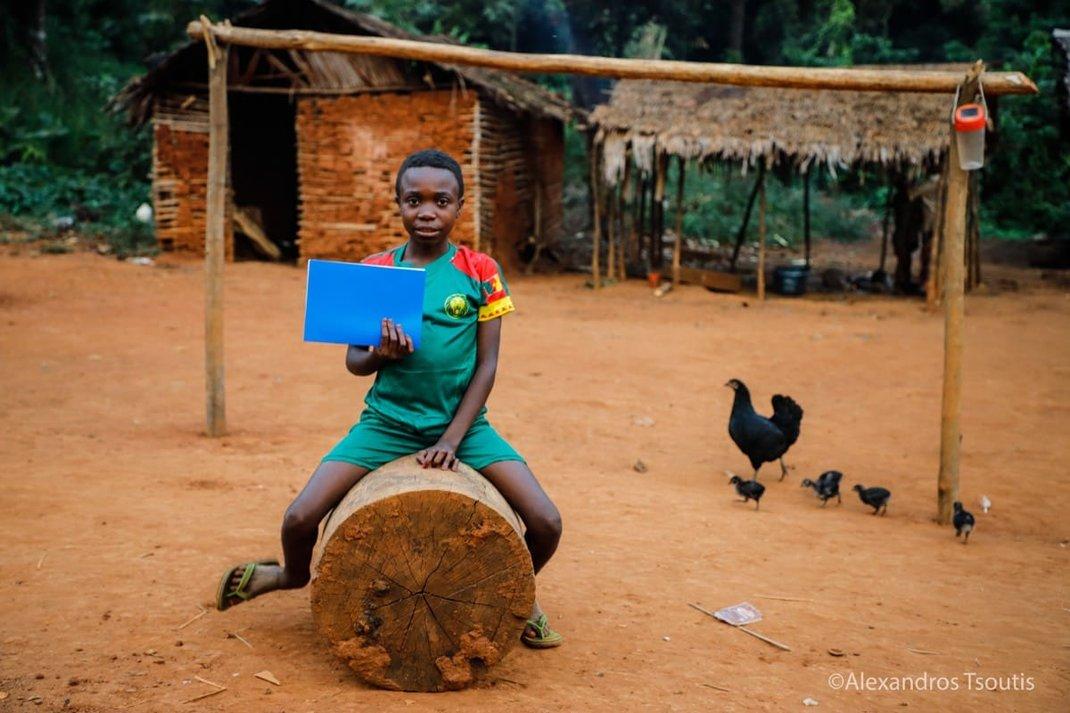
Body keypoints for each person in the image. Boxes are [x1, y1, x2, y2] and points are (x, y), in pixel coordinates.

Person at [215, 148, 563, 648]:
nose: (427, 211)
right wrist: (380, 354)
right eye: (413, 200)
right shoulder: (377, 271)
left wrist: (451, 438)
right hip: (387, 423)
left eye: (440, 201)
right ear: (397, 204)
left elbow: (486, 366)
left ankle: (518, 592)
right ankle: (292, 576)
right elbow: (355, 363)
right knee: (299, 517)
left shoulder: (479, 269)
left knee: (546, 521)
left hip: (464, 427)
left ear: (459, 207)